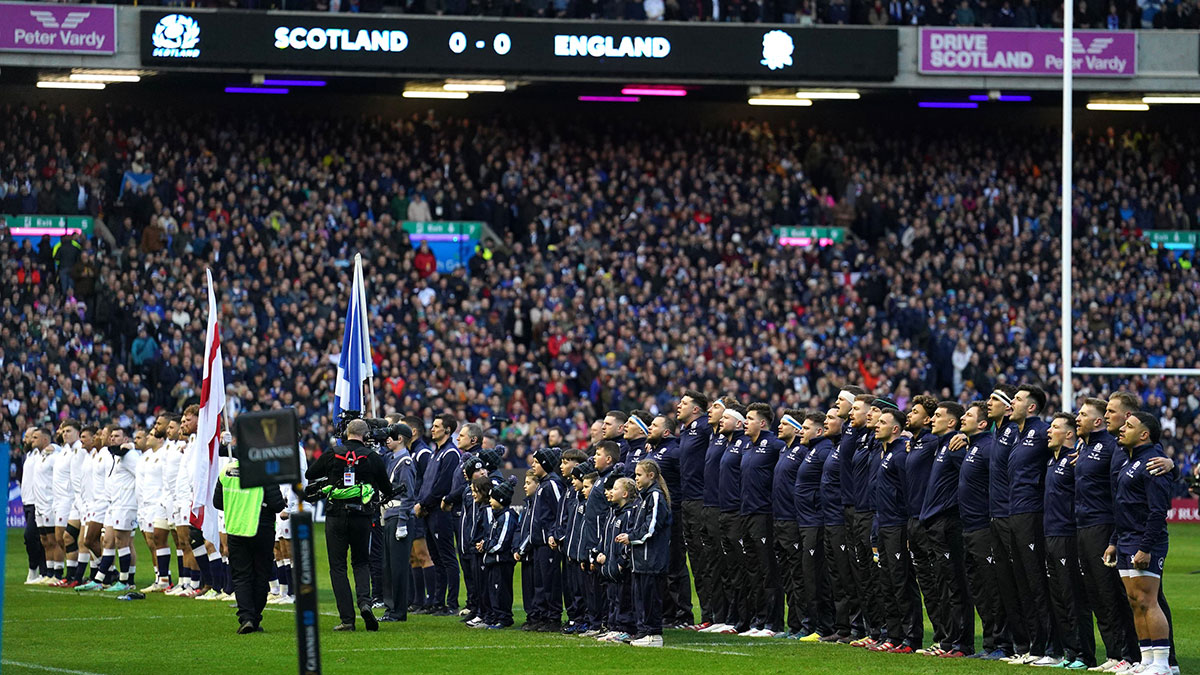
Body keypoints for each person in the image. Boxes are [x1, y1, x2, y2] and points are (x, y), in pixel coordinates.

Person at [306, 418, 393, 631]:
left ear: (346, 433)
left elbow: (310, 474)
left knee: (338, 567)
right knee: (361, 562)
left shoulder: (333, 452)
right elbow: (387, 488)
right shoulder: (372, 457)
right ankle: (365, 602)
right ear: (366, 436)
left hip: (336, 515)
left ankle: (347, 619)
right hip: (362, 516)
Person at [1074, 397, 1140, 671]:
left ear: (1098, 420)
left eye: (1083, 414)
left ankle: (1130, 654)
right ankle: (1114, 654)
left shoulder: (1113, 446)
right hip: (1083, 526)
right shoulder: (1085, 446)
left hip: (1103, 527)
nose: (1077, 417)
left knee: (1111, 594)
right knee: (1096, 595)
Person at [1107, 412, 1172, 675]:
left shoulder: (1152, 463)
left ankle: (1162, 664)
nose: (1122, 429)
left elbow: (1158, 511)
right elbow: (1122, 507)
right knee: (1135, 600)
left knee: (1148, 600)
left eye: (1129, 426)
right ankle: (1146, 659)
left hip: (1144, 541)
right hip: (1125, 539)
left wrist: (1146, 547)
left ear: (1144, 434)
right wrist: (1114, 541)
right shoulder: (1128, 462)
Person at [919, 400, 973, 658]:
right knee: (943, 584)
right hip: (934, 523)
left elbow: (970, 478)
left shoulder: (955, 447)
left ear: (952, 422)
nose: (931, 419)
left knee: (955, 584)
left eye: (938, 416)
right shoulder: (941, 445)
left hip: (948, 523)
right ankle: (948, 641)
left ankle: (961, 643)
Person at [1006, 384, 1055, 665]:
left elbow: (1071, 443)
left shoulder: (1041, 431)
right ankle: (1033, 647)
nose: (1013, 402)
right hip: (1015, 512)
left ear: (1032, 407)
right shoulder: (1017, 434)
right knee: (1023, 581)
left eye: (1019, 399)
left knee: (1037, 581)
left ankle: (1049, 648)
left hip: (1032, 514)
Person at [956, 401, 1007, 660]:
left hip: (983, 528)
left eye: (968, 415)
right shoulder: (972, 445)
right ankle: (989, 644)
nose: (962, 418)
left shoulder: (988, 448)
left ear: (983, 423)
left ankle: (1001, 644)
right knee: (979, 589)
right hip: (969, 528)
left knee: (992, 588)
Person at [214, 456, 287, 634]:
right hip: (260, 528)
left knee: (241, 576)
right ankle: (254, 617)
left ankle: (246, 617)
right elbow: (278, 504)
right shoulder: (265, 471)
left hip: (236, 529)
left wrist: (237, 506)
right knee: (261, 574)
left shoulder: (227, 471)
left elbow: (218, 502)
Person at [1043, 413, 1093, 669]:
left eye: (1054, 427)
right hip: (1050, 535)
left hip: (1068, 535)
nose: (1048, 431)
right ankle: (1069, 653)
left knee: (1073, 597)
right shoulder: (1052, 461)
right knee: (1059, 598)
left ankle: (1084, 654)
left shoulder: (1075, 460)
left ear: (1070, 434)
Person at [870, 407, 923, 654]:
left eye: (882, 422)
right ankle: (893, 635)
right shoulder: (883, 453)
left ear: (895, 429)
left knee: (902, 583)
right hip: (883, 525)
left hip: (898, 526)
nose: (876, 425)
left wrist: (909, 526)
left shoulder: (901, 454)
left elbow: (909, 491)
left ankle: (911, 638)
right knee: (887, 583)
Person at [739, 402, 783, 637]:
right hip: (746, 513)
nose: (746, 421)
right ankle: (758, 620)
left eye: (750, 418)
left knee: (768, 570)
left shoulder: (775, 445)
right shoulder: (748, 446)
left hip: (764, 514)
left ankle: (773, 624)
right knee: (753, 570)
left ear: (763, 423)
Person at [620, 459, 671, 648]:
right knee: (640, 596)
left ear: (651, 476)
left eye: (639, 475)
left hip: (652, 559)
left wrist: (631, 537)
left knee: (651, 597)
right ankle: (643, 632)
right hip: (641, 559)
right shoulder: (644, 497)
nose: (636, 479)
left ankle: (654, 634)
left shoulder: (655, 496)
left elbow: (651, 527)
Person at [645, 414, 690, 628]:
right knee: (662, 564)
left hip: (674, 514)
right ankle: (668, 613)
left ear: (666, 432)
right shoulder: (654, 450)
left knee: (675, 564)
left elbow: (685, 479)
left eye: (653, 425)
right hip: (659, 514)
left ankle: (683, 615)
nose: (649, 428)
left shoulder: (674, 451)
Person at [793, 410, 835, 641]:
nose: (802, 431)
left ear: (818, 431)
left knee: (816, 576)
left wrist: (816, 508)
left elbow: (827, 485)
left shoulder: (824, 450)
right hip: (806, 520)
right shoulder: (814, 450)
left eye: (806, 428)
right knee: (809, 575)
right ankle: (816, 624)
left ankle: (824, 627)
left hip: (815, 522)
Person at [415, 413, 461, 616]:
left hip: (441, 512)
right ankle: (437, 601)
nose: (432, 429)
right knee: (436, 557)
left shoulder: (450, 453)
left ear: (447, 430)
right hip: (429, 511)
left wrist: (424, 503)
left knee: (447, 557)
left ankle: (451, 603)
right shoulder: (436, 452)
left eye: (436, 426)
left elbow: (443, 485)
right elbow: (427, 482)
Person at [674, 390, 712, 630]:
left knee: (706, 560)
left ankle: (713, 615)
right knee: (696, 561)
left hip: (701, 500)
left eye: (684, 403)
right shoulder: (685, 430)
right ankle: (708, 615)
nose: (679, 405)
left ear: (696, 409)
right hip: (687, 501)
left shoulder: (705, 427)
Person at [819, 406, 856, 643]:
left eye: (831, 418)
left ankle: (857, 628)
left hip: (841, 520)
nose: (826, 421)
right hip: (829, 520)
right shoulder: (834, 447)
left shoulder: (846, 445)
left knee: (847, 577)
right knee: (837, 579)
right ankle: (842, 628)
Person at [715, 402, 751, 635]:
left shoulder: (744, 444)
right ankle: (733, 616)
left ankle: (745, 619)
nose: (721, 421)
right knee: (729, 569)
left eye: (725, 418)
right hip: (724, 512)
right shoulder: (727, 444)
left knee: (742, 568)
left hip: (738, 514)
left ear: (738, 423)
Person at [696, 396, 732, 633]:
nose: (711, 410)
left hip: (722, 507)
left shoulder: (731, 440)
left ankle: (731, 618)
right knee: (710, 564)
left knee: (726, 565)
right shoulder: (712, 435)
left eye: (717, 407)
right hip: (706, 506)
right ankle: (716, 616)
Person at [771, 409, 807, 638]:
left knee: (798, 575)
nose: (779, 427)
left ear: (796, 428)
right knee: (786, 575)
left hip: (793, 520)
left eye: (784, 424)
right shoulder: (783, 450)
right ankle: (793, 624)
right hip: (779, 520)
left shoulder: (801, 451)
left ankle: (803, 623)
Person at [380, 423, 417, 623]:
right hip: (389, 516)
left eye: (391, 436)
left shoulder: (405, 463)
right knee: (388, 566)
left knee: (398, 567)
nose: (387, 439)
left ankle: (398, 610)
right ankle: (391, 607)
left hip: (398, 517)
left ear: (400, 438)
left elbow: (408, 495)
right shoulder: (393, 460)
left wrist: (403, 521)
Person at [525, 447, 565, 631]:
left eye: (536, 462)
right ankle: (541, 616)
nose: (533, 465)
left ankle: (553, 617)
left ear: (545, 465)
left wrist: (554, 535)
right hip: (538, 543)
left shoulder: (553, 485)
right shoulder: (543, 484)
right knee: (540, 583)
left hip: (548, 543)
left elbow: (560, 512)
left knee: (550, 582)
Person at [596, 475, 638, 642]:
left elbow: (628, 541)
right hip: (609, 565)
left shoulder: (628, 514)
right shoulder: (614, 513)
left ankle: (625, 628)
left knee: (623, 597)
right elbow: (607, 538)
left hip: (620, 566)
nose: (611, 492)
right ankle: (613, 626)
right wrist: (601, 552)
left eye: (614, 489)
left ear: (625, 494)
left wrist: (622, 561)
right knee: (612, 596)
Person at [479, 478, 518, 629]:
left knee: (501, 590)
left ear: (501, 499)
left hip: (501, 561)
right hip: (492, 560)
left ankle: (504, 618)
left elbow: (502, 543)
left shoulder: (507, 516)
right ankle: (495, 616)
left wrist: (486, 546)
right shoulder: (498, 515)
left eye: (492, 498)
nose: (489, 500)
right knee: (492, 591)